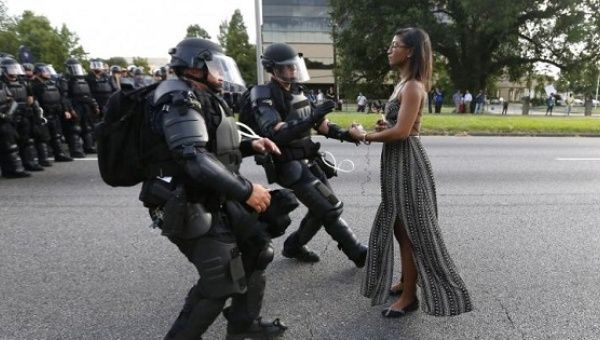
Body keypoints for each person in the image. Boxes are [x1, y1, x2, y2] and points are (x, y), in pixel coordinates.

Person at [138, 37, 288, 340]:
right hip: (186, 201)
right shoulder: (177, 98)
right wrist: (247, 191)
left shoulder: (199, 94)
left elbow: (212, 146)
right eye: (215, 66)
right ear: (195, 67)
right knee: (220, 280)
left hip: (213, 195)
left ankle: (244, 326)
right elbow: (193, 157)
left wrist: (250, 144)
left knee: (257, 250)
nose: (221, 73)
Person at [349, 27, 472, 318]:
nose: (390, 50)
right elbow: (397, 126)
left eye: (395, 45)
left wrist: (364, 135)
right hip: (396, 162)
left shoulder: (414, 86)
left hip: (408, 163)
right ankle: (407, 280)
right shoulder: (402, 84)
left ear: (411, 51)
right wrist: (384, 126)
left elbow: (403, 132)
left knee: (411, 231)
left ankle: (409, 297)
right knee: (398, 225)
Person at [250, 43, 368, 266]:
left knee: (321, 209)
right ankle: (358, 253)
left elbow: (322, 125)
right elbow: (275, 135)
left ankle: (293, 246)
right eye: (287, 68)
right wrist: (311, 118)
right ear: (273, 69)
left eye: (294, 67)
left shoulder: (298, 92)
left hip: (309, 160)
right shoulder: (263, 95)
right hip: (288, 165)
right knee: (331, 207)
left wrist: (347, 135)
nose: (292, 71)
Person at [30, 63, 73, 162]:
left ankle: (59, 154)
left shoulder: (52, 83)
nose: (48, 73)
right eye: (45, 71)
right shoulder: (34, 85)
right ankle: (43, 159)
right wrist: (39, 114)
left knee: (56, 135)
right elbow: (34, 101)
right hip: (43, 114)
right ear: (38, 73)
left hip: (55, 113)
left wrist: (65, 110)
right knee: (42, 137)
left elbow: (61, 98)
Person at [60, 57, 99, 156]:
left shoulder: (83, 79)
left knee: (87, 127)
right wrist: (69, 109)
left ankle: (88, 146)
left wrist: (94, 105)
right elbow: (64, 97)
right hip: (75, 105)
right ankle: (76, 149)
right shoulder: (65, 79)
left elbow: (89, 94)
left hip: (86, 105)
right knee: (75, 129)